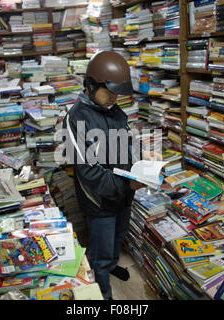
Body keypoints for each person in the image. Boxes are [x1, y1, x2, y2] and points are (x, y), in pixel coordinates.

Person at [62, 51, 145, 300]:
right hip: (100, 202)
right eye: (109, 92)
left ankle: (110, 267)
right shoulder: (76, 118)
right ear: (90, 85)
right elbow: (88, 172)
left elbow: (127, 145)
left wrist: (140, 164)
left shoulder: (115, 111)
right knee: (99, 250)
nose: (114, 97)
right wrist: (127, 184)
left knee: (118, 238)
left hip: (122, 195)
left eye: (117, 92)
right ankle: (104, 294)